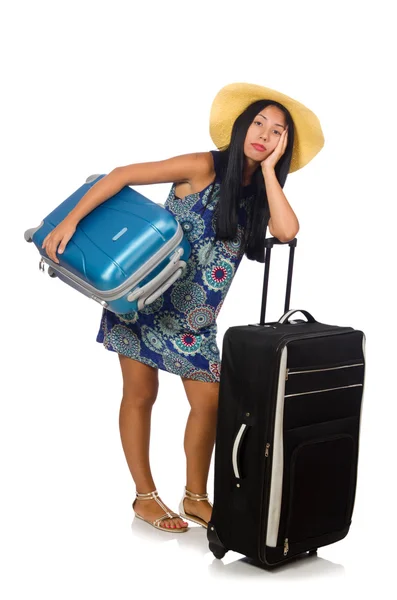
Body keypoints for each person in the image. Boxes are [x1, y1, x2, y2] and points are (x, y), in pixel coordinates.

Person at [41, 82, 324, 533]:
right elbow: (121, 175)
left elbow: (288, 232)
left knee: (210, 403)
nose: (263, 136)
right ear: (241, 125)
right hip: (143, 303)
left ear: (283, 146)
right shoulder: (202, 166)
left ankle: (195, 497)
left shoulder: (259, 192)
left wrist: (270, 172)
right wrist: (71, 222)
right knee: (140, 396)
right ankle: (145, 497)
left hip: (197, 321)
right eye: (258, 124)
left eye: (276, 133)